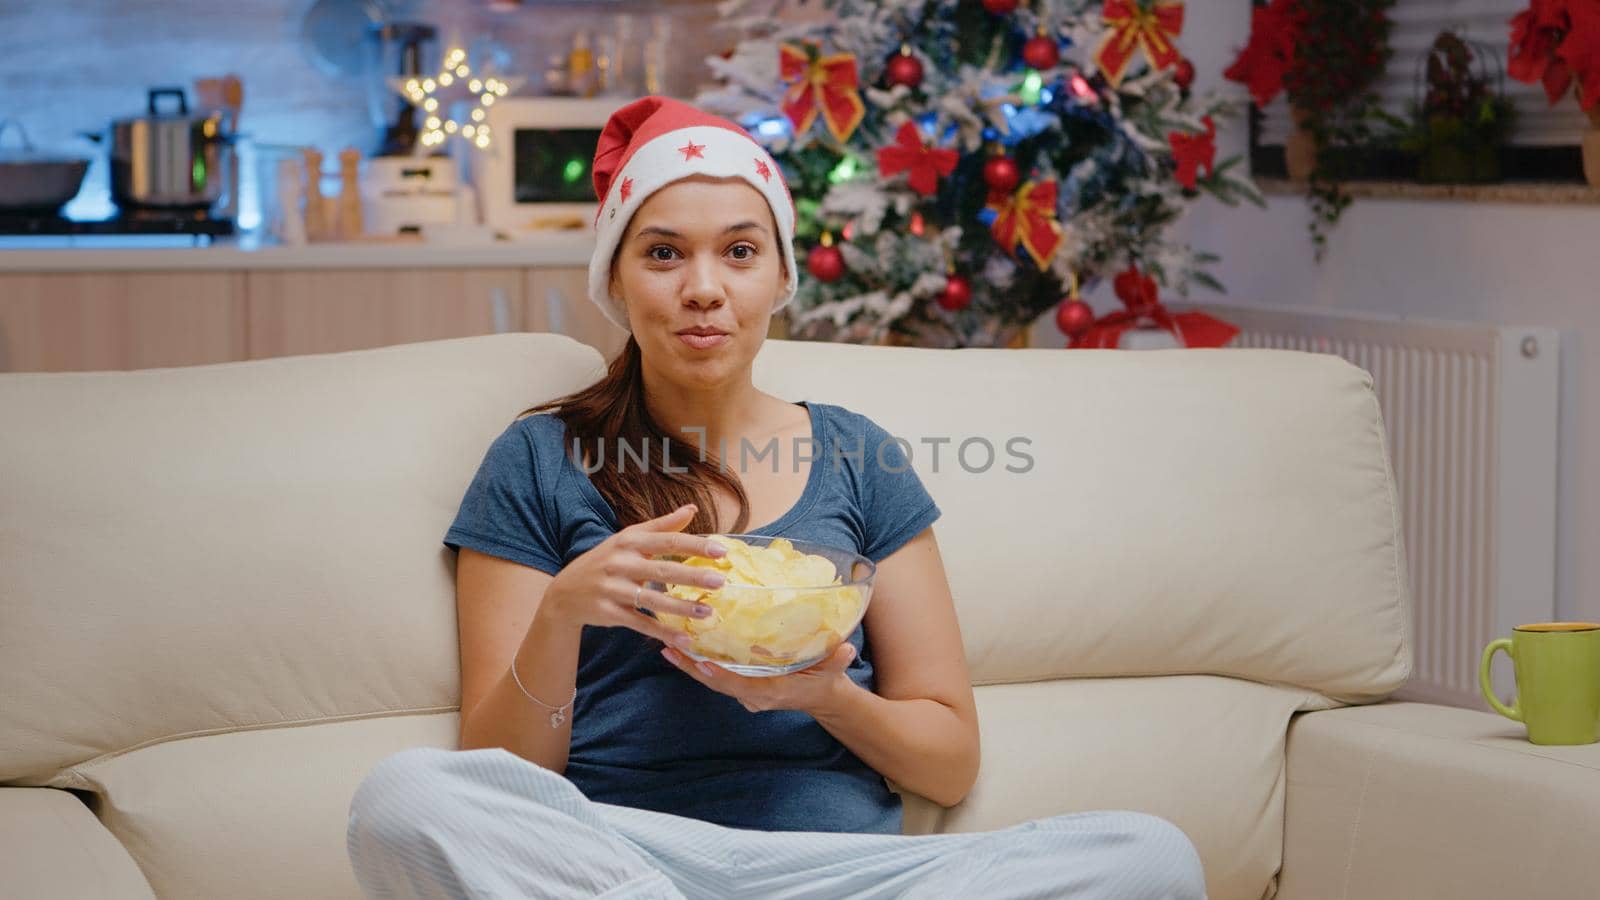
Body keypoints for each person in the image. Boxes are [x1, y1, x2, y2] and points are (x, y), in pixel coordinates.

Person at [346, 96, 1208, 900]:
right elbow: (496, 777)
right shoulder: (538, 457)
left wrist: (822, 696)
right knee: (402, 797)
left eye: (740, 251)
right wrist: (563, 613)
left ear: (779, 280)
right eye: (663, 252)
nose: (704, 289)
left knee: (1149, 856)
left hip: (837, 874)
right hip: (619, 859)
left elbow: (948, 764)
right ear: (617, 281)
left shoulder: (858, 454)